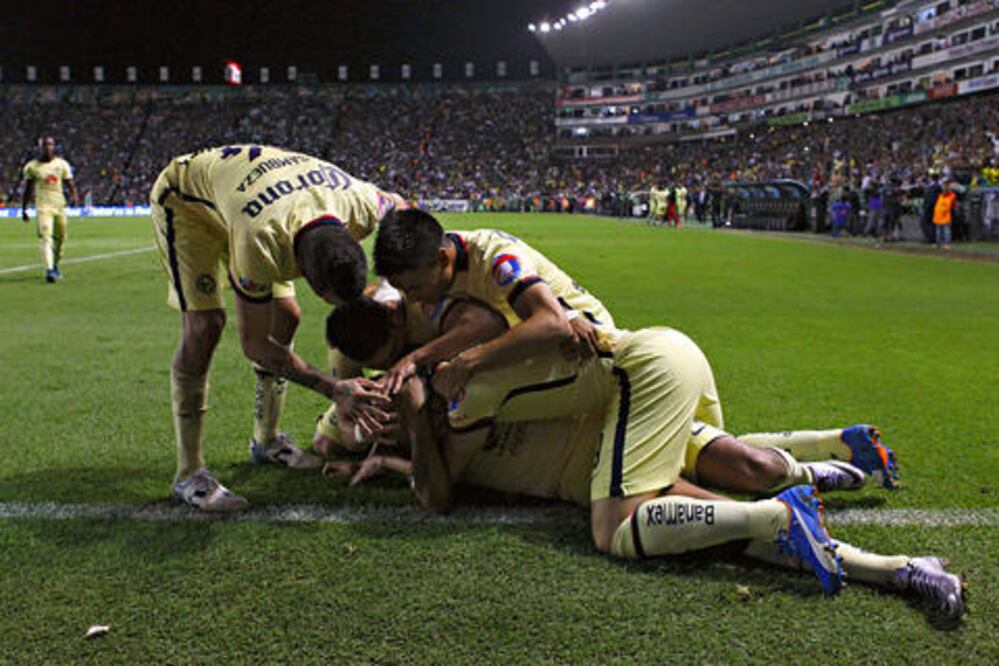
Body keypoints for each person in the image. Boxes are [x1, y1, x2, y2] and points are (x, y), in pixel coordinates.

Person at [322, 297, 960, 620]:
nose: (374, 398)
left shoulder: (452, 367)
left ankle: (817, 470)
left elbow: (439, 486)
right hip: (587, 465)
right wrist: (383, 444)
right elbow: (357, 453)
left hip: (614, 422)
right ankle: (902, 568)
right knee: (732, 514)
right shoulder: (390, 412)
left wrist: (408, 418)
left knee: (751, 469)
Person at [149, 144, 395, 511]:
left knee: (288, 316)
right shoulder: (260, 241)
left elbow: (404, 208)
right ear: (303, 273)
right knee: (205, 327)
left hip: (259, 197)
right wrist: (333, 388)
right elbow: (255, 344)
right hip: (187, 202)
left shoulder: (358, 201)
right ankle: (189, 474)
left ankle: (266, 441)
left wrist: (390, 287)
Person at [21, 136, 78, 283]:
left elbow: (69, 182)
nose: (47, 147)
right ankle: (49, 270)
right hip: (43, 207)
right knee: (45, 236)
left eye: (50, 144)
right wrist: (24, 208)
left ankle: (55, 265)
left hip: (59, 206)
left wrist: (74, 197)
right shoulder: (32, 167)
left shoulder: (62, 164)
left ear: (54, 146)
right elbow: (28, 189)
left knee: (60, 238)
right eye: (44, 145)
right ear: (39, 147)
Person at [932, 179, 957, 249]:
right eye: (944, 186)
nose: (945, 188)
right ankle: (938, 244)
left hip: (946, 215)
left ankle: (947, 244)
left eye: (947, 185)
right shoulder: (940, 195)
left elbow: (953, 205)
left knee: (946, 231)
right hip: (938, 215)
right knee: (938, 231)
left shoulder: (952, 195)